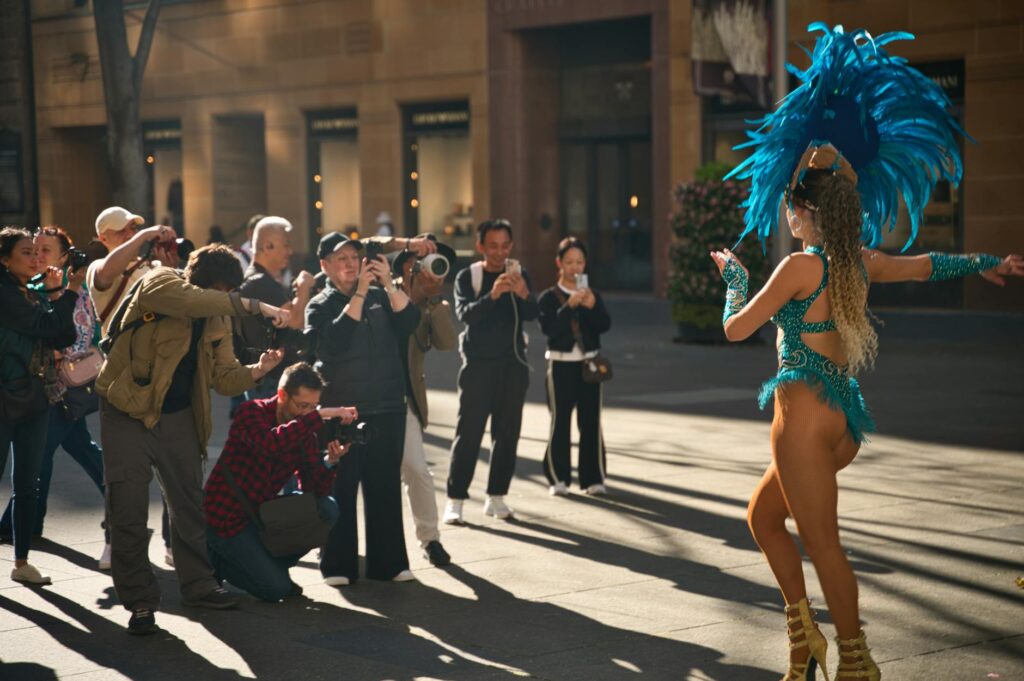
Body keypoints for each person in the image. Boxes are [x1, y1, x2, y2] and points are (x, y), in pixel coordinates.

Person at [713, 24, 1024, 681]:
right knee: (763, 518)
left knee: (823, 545)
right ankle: (805, 639)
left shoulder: (799, 266)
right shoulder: (858, 260)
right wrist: (986, 261)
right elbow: (928, 265)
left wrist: (734, 282)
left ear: (807, 212)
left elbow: (737, 330)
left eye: (792, 206)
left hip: (803, 420)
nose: (787, 214)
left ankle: (855, 659)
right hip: (842, 419)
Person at [96, 244, 290, 635]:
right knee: (128, 509)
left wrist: (257, 370)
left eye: (230, 292)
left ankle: (199, 586)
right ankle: (140, 602)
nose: (225, 298)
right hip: (127, 411)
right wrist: (252, 305)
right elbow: (189, 300)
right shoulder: (159, 282)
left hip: (179, 417)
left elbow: (225, 378)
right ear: (202, 282)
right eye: (222, 290)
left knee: (189, 507)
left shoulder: (217, 317)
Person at [306, 232, 420, 586]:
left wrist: (387, 283)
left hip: (387, 405)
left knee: (384, 486)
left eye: (354, 257)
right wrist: (358, 294)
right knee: (341, 487)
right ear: (325, 266)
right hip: (342, 410)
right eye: (341, 258)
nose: (350, 263)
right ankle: (337, 565)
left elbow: (410, 322)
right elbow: (334, 343)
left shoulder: (380, 296)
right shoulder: (319, 305)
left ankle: (389, 564)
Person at [0, 226, 110, 569]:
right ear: (5, 260)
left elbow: (65, 334)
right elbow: (50, 329)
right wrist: (66, 290)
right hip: (14, 395)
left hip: (47, 393)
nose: (37, 257)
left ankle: (21, 556)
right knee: (36, 468)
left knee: (31, 476)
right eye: (29, 251)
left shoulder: (37, 291)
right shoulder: (12, 294)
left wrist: (61, 291)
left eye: (41, 250)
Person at [204, 363, 356, 602]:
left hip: (261, 517)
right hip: (224, 521)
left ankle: (266, 568)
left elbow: (313, 490)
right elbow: (269, 444)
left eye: (313, 407)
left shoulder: (303, 430)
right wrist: (317, 416)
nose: (307, 413)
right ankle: (216, 563)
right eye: (302, 406)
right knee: (276, 589)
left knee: (326, 508)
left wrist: (330, 461)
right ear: (283, 395)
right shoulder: (251, 411)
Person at [443, 219, 538, 524]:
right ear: (480, 246)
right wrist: (493, 295)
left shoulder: (519, 274)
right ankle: (456, 499)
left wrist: (524, 293)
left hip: (513, 365)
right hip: (478, 367)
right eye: (493, 246)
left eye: (505, 246)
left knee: (507, 434)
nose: (500, 252)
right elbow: (465, 315)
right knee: (469, 434)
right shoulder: (468, 276)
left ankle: (496, 496)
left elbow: (534, 314)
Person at [393, 239, 458, 567]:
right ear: (408, 265)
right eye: (424, 261)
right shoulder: (383, 290)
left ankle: (430, 539)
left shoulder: (432, 304)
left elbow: (447, 343)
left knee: (417, 469)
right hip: (370, 398)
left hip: (407, 401)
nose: (432, 270)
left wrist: (432, 301)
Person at [536, 238, 611, 497]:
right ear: (559, 263)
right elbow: (550, 330)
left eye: (579, 262)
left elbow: (604, 325)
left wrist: (591, 306)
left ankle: (594, 478)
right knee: (560, 421)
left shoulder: (593, 295)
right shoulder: (548, 297)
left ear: (585, 263)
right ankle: (558, 478)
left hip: (589, 366)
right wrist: (569, 307)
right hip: (560, 366)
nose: (574, 267)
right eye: (569, 262)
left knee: (591, 422)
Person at [233, 216, 317, 401]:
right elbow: (295, 321)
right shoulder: (260, 283)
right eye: (286, 245)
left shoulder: (260, 281)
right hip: (268, 385)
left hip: (266, 381)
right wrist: (304, 288)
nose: (290, 251)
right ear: (267, 246)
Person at [87, 206, 178, 336]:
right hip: (124, 347)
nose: (130, 234)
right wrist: (144, 235)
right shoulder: (97, 266)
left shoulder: (154, 265)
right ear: (103, 239)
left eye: (133, 228)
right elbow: (106, 273)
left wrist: (169, 266)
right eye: (121, 231)